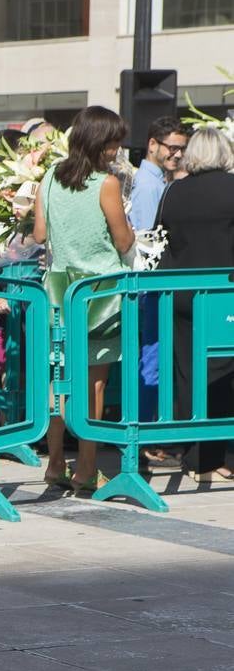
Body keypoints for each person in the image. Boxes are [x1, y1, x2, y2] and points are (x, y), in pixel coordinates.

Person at [33, 106, 134, 493]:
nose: (116, 149)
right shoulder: (106, 183)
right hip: (98, 290)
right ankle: (86, 467)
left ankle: (56, 462)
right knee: (94, 384)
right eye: (113, 142)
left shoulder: (50, 177)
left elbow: (40, 236)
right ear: (99, 141)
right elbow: (122, 239)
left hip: (58, 287)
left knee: (60, 380)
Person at [157, 127, 234, 482]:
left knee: (188, 372)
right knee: (222, 372)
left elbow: (160, 234)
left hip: (181, 293)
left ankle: (195, 455)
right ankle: (214, 457)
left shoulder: (174, 192)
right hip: (224, 293)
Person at [128, 117, 190, 468]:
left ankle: (147, 434)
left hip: (151, 284)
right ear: (153, 145)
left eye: (182, 148)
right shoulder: (149, 186)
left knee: (151, 358)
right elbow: (149, 238)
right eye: (172, 147)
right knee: (151, 359)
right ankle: (147, 438)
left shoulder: (154, 181)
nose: (177, 154)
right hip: (149, 284)